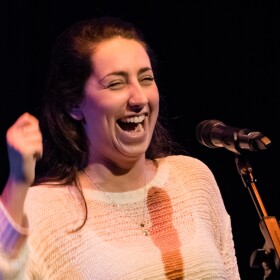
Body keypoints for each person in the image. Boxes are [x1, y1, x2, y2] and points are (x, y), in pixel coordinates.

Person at [0, 16, 241, 279]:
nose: (139, 98)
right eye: (116, 83)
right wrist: (17, 182)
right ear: (73, 103)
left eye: (146, 79)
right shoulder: (43, 207)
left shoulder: (193, 179)